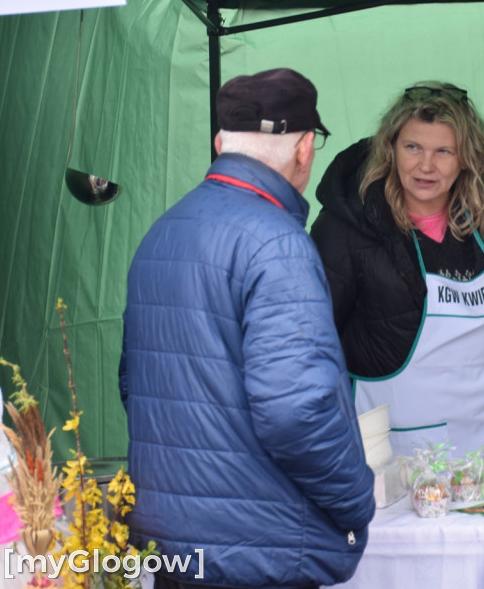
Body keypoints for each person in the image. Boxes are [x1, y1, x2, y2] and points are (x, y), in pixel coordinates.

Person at [119, 68, 375, 589]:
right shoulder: (278, 243)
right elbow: (296, 410)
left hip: (173, 551)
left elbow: (134, 384)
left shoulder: (162, 232)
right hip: (260, 553)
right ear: (304, 149)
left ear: (220, 142)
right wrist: (357, 500)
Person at [310, 81, 484, 459]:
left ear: (466, 158)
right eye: (412, 147)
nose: (425, 166)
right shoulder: (347, 225)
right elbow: (313, 334)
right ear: (390, 149)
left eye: (444, 151)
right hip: (396, 448)